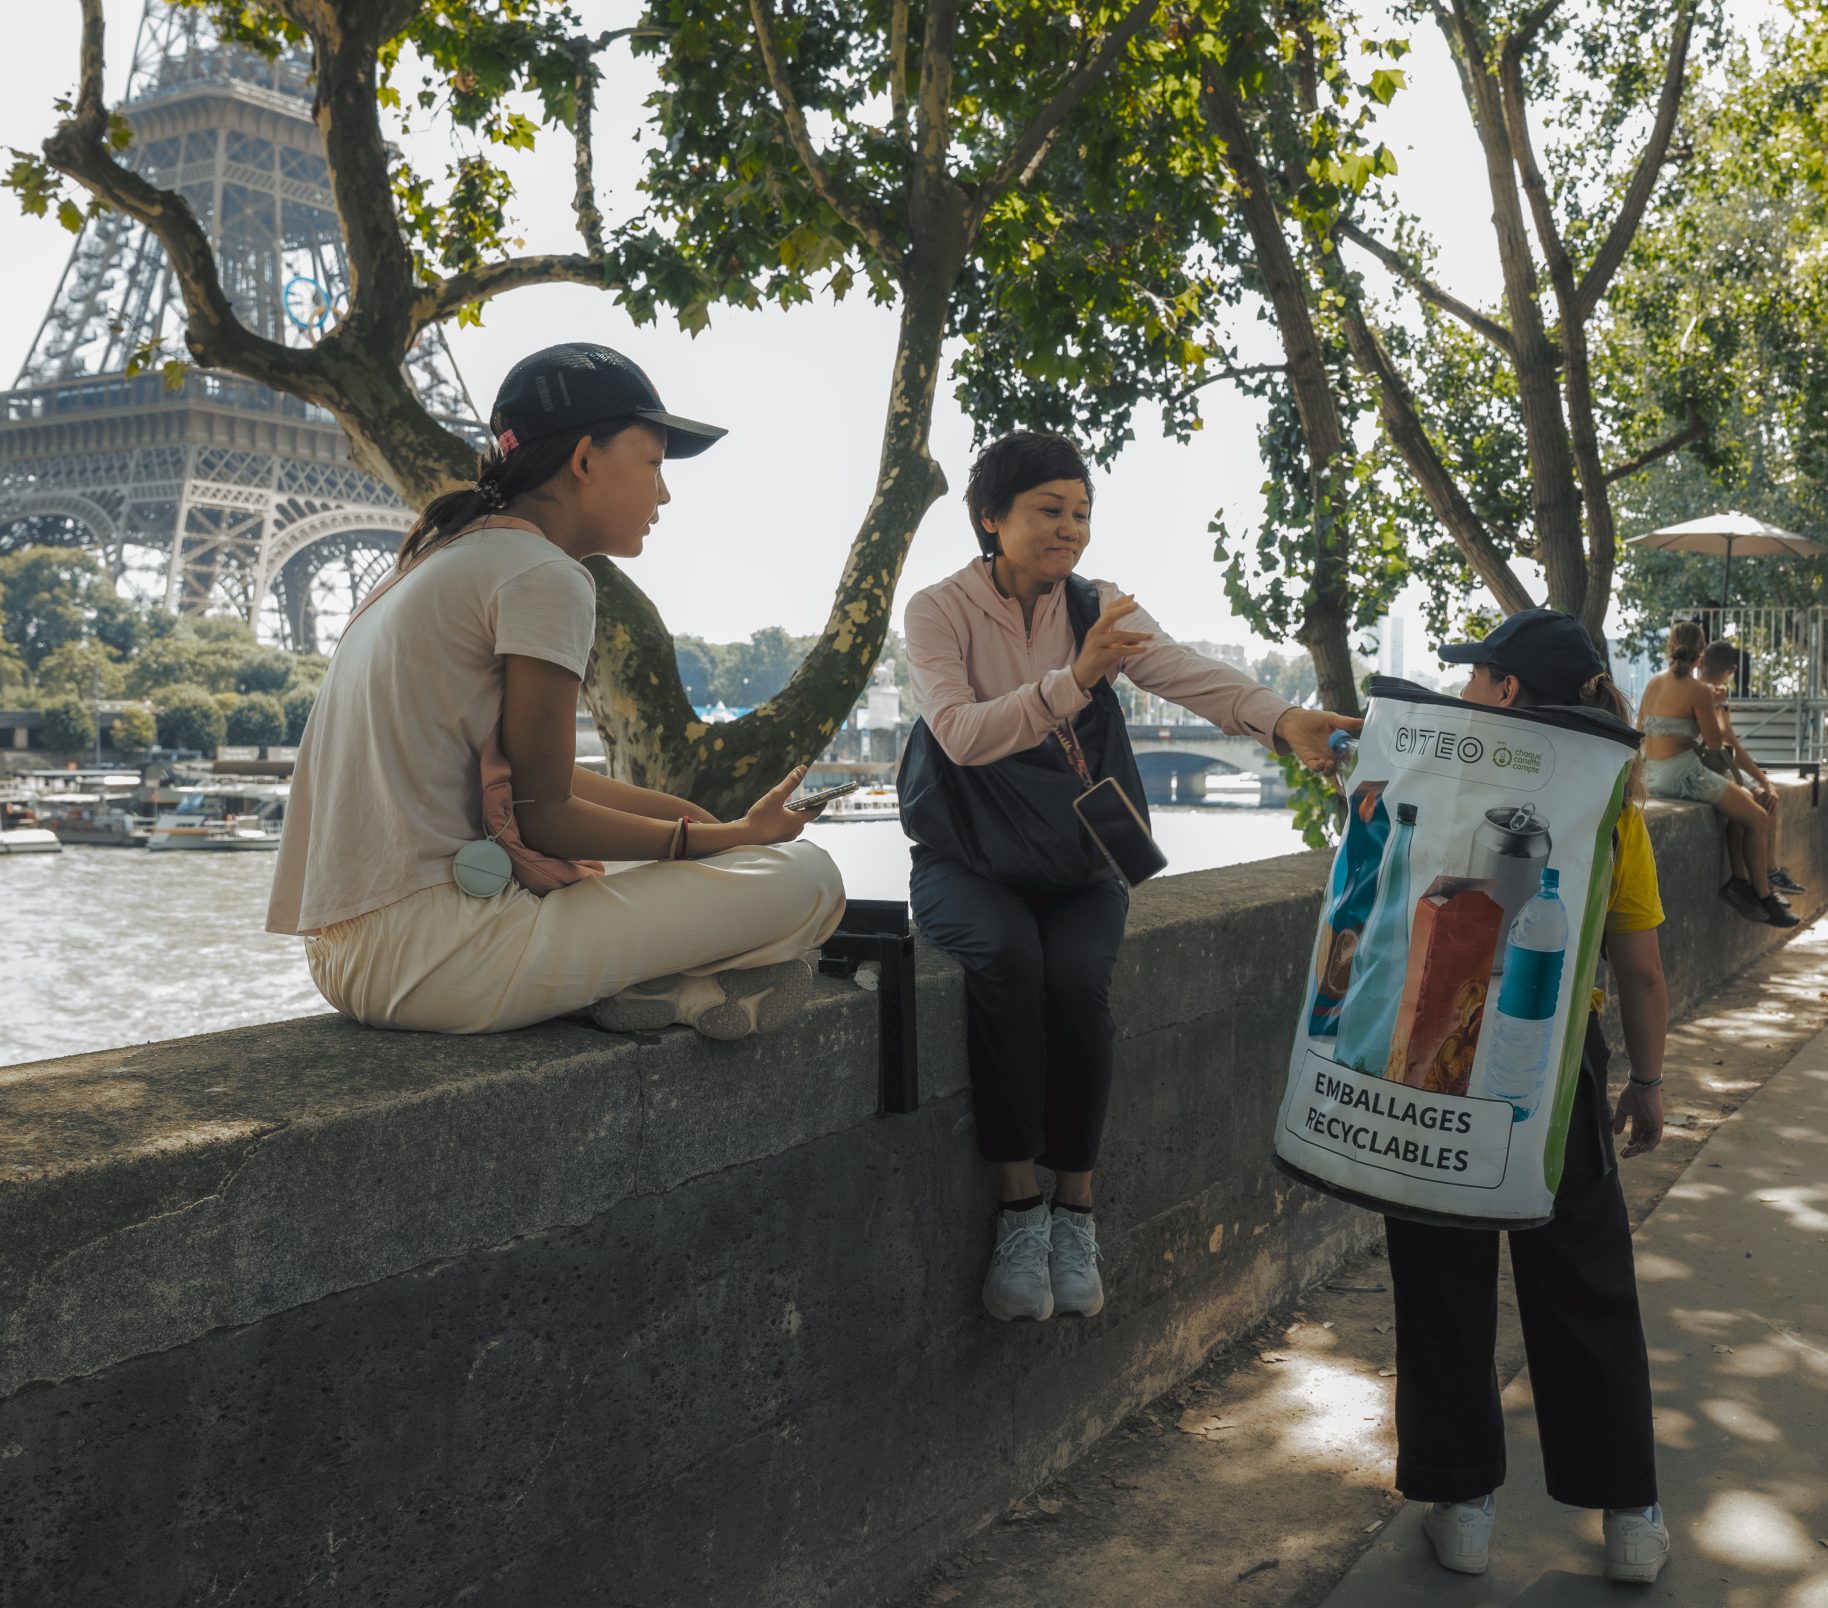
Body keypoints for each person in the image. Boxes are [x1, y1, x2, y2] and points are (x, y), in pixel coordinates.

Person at [905, 430, 1359, 1325]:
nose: (1070, 529)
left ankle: (1075, 1212)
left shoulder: (1097, 606)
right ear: (990, 517)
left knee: (1079, 979)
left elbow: (1188, 674)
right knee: (1005, 958)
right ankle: (1019, 1209)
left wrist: (1283, 720)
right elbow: (957, 733)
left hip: (1077, 856)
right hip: (970, 854)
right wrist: (1073, 681)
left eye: (1081, 513)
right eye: (1049, 510)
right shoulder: (938, 610)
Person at [267, 342, 846, 1039]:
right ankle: (640, 980)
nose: (664, 493)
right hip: (442, 956)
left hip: (344, 961)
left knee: (727, 861)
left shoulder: (433, 561)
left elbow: (537, 776)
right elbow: (544, 817)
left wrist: (708, 828)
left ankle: (668, 990)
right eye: (654, 463)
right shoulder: (543, 574)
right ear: (584, 460)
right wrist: (723, 840)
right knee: (809, 878)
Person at [1395, 608, 1674, 1587]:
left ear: (1506, 691)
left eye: (1478, 675)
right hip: (1559, 1064)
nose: (1465, 689)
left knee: (1442, 1269)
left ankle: (1463, 1505)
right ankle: (1629, 1516)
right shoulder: (1609, 804)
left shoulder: (1442, 786)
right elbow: (1640, 970)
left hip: (1435, 1053)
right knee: (1585, 1278)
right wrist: (1645, 1081)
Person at [1637, 621, 1797, 925]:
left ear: (1671, 647)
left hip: (1652, 774)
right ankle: (1766, 897)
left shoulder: (1653, 683)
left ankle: (1741, 883)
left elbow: (1639, 731)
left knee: (1742, 804)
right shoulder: (1698, 690)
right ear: (1701, 653)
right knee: (1758, 818)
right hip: (1684, 775)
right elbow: (1713, 742)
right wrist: (1717, 707)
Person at [1691, 639, 1804, 899]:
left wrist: (1763, 781)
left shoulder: (1710, 693)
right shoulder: (1701, 693)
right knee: (1757, 800)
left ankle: (1769, 870)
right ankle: (1756, 878)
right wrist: (1763, 780)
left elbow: (1728, 744)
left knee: (1765, 796)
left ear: (1701, 662)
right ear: (1732, 670)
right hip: (1703, 766)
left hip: (1715, 763)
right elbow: (1724, 742)